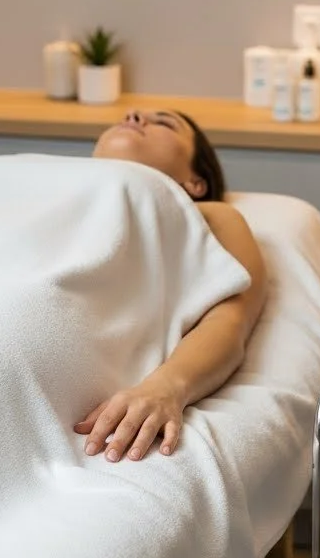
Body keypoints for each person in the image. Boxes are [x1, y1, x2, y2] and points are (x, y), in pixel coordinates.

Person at [75, 108, 269, 464]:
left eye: (164, 123)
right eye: (127, 116)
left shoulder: (210, 216)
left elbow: (230, 320)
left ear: (195, 182)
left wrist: (166, 387)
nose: (133, 115)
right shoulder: (38, 185)